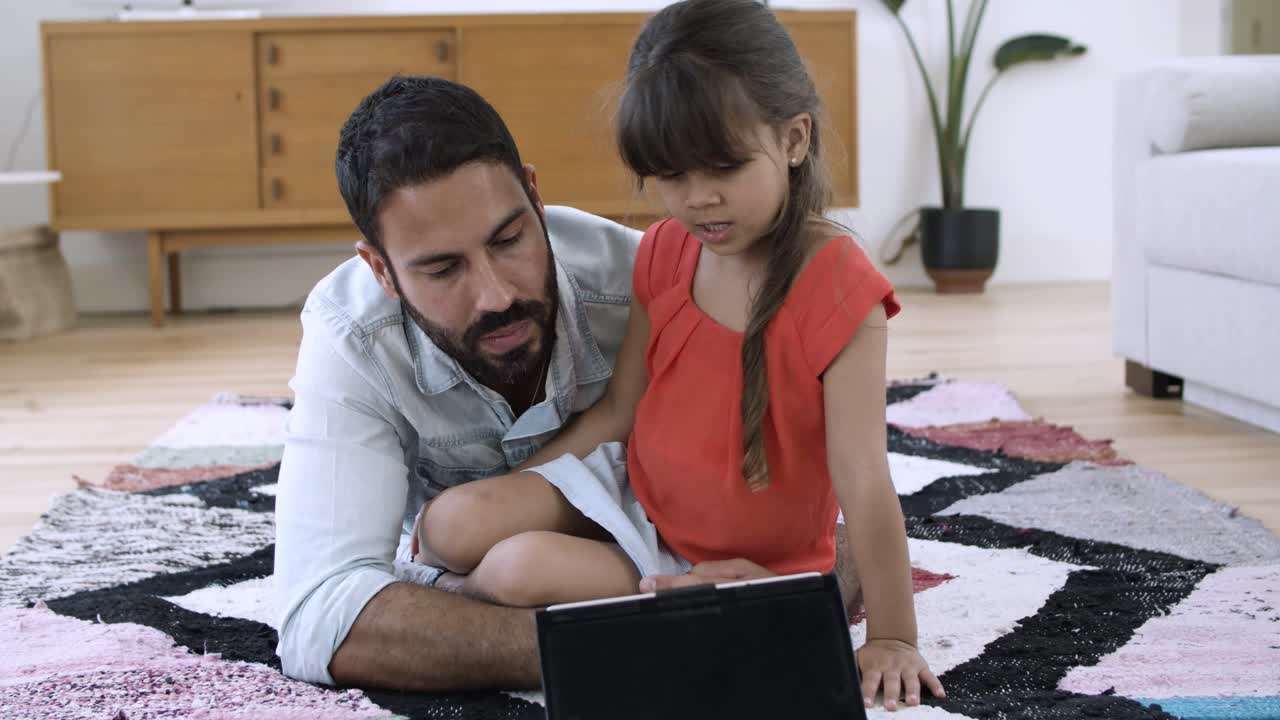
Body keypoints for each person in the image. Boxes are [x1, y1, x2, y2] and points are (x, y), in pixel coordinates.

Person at [415, 0, 944, 711]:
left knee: (513, 568)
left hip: (743, 569)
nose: (698, 198)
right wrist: (526, 489)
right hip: (638, 500)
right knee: (448, 522)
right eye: (672, 175)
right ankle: (450, 578)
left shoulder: (840, 286)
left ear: (793, 139)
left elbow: (864, 479)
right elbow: (621, 409)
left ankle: (452, 604)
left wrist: (893, 635)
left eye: (724, 166)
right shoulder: (668, 250)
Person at [273, 73, 861, 691]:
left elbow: (835, 530)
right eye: (443, 269)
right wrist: (680, 634)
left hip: (664, 538)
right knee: (459, 532)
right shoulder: (354, 336)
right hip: (548, 556)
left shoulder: (666, 285)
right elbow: (321, 617)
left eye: (509, 239)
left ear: (534, 196)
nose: (496, 295)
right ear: (381, 271)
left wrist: (775, 599)